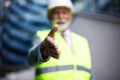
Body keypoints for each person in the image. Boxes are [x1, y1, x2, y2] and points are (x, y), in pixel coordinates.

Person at [28, 0, 94, 80]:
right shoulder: (41, 36)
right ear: (49, 16)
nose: (61, 16)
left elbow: (89, 72)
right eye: (56, 13)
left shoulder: (83, 41)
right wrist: (42, 51)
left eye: (64, 12)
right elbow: (30, 61)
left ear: (71, 16)